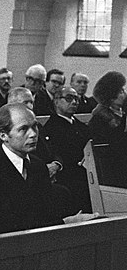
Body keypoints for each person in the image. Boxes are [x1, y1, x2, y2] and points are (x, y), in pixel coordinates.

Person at [0, 104, 96, 234]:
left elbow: (45, 215)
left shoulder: (37, 165)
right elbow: (9, 225)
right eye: (23, 129)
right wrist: (67, 222)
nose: (33, 134)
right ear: (3, 136)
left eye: (35, 126)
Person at [43, 86, 92, 214]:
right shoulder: (50, 128)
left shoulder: (82, 126)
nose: (74, 102)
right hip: (68, 179)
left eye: (76, 99)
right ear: (56, 101)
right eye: (69, 98)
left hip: (87, 175)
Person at [89, 71, 126, 145]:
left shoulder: (122, 112)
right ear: (111, 96)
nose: (125, 94)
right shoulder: (100, 118)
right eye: (121, 91)